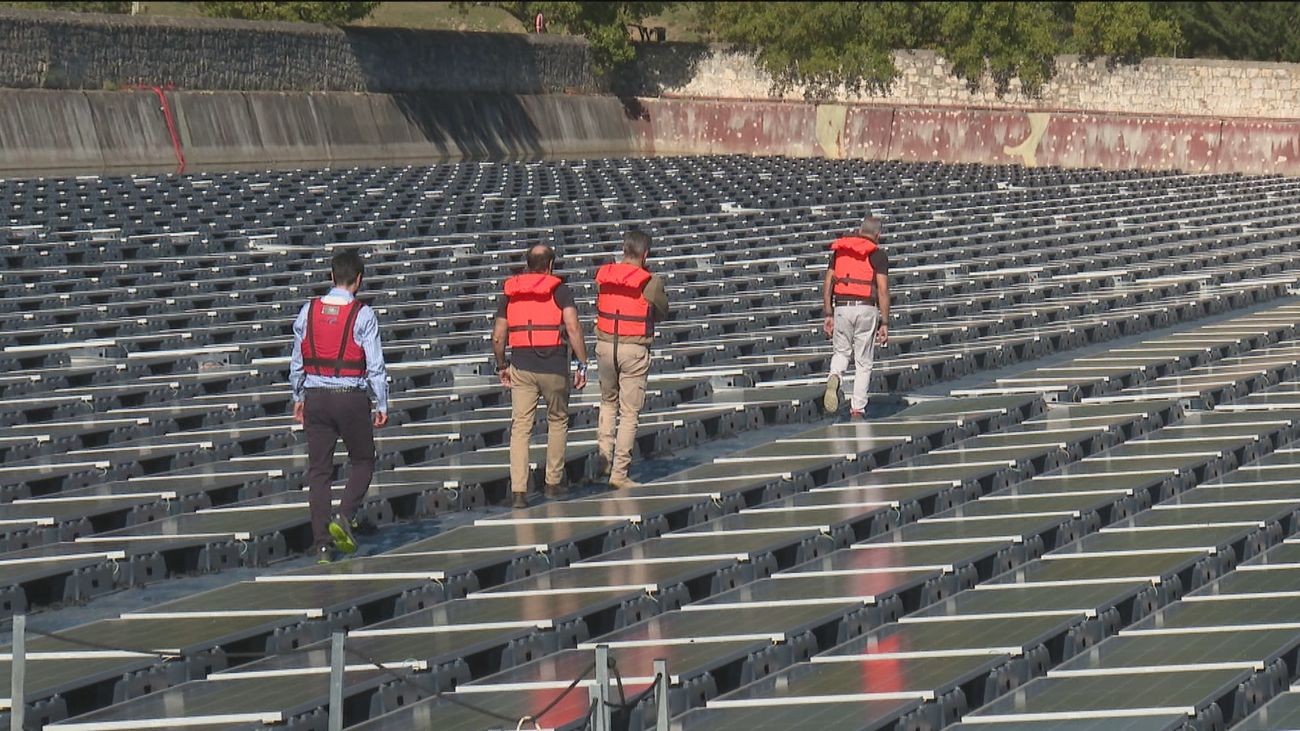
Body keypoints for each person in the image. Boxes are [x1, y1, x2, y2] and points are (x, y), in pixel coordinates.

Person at [290, 249, 389, 564]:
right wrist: (381, 402)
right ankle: (344, 517)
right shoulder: (363, 315)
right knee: (364, 460)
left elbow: (297, 360)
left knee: (319, 471)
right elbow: (375, 366)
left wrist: (298, 397)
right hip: (350, 397)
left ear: (331, 277)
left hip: (316, 398)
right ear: (359, 280)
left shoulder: (308, 310)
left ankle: (322, 545)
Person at [493, 244, 590, 509]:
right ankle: (553, 483)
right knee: (557, 421)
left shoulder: (510, 294)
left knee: (521, 428)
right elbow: (573, 327)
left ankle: (518, 492)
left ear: (527, 265)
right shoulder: (560, 290)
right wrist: (582, 363)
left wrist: (501, 365)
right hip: (555, 367)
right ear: (550, 266)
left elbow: (499, 336)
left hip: (522, 367)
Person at [594, 230, 669, 489]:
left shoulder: (605, 275)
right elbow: (662, 311)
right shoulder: (650, 282)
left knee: (607, 403)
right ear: (645, 254)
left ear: (624, 250)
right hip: (633, 350)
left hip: (604, 346)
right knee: (629, 414)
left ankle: (603, 464)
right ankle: (619, 474)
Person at [823, 216, 890, 420]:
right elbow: (883, 289)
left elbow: (828, 284)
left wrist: (828, 313)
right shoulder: (878, 254)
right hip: (866, 308)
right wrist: (885, 322)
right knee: (863, 362)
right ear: (878, 235)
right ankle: (857, 409)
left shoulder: (840, 250)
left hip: (842, 307)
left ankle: (835, 375)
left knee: (841, 352)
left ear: (860, 230)